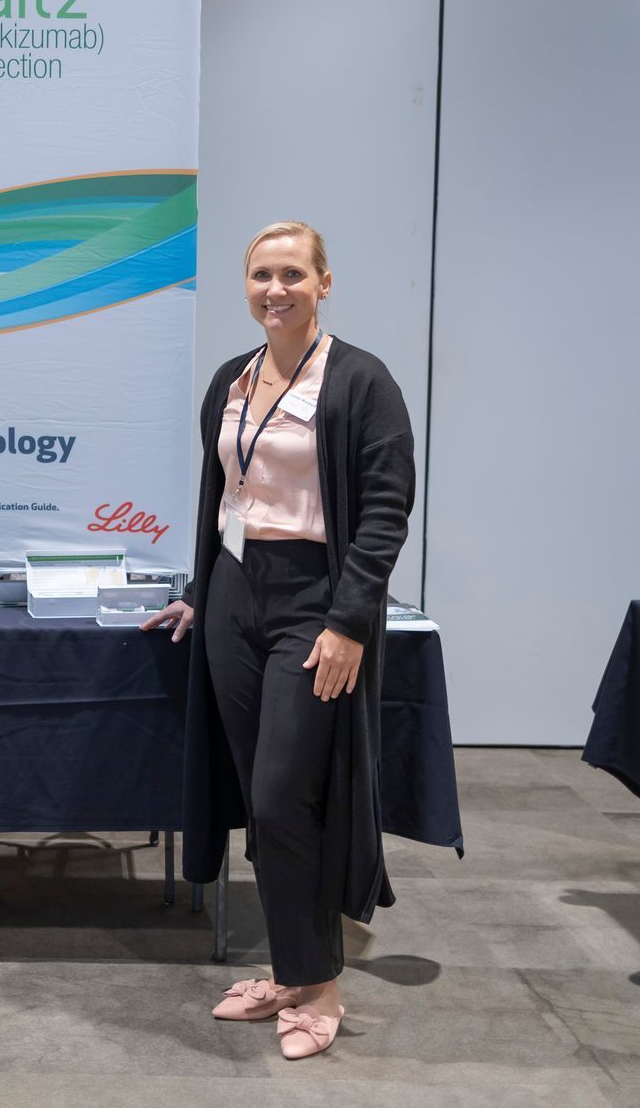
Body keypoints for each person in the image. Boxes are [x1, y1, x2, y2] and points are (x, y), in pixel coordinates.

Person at [142, 220, 414, 1059]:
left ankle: (318, 984)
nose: (276, 289)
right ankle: (289, 971)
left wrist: (349, 621)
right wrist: (201, 591)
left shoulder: (360, 380)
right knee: (260, 798)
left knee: (284, 794)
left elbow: (385, 511)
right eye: (262, 274)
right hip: (235, 597)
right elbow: (226, 495)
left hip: (313, 602)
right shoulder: (232, 379)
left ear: (324, 282)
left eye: (294, 273)